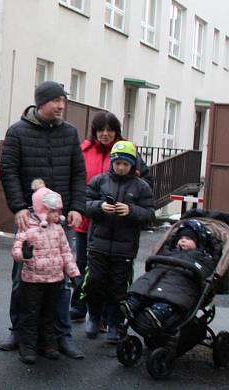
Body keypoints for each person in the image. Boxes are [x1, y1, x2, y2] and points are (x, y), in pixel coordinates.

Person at [0, 81, 87, 359]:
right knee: (21, 277)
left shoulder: (70, 133)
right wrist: (19, 207)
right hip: (29, 219)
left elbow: (78, 174)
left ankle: (61, 336)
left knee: (60, 279)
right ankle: (19, 331)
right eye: (56, 100)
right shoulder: (17, 132)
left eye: (64, 100)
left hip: (59, 220)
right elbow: (9, 173)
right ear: (41, 102)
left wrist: (76, 207)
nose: (61, 106)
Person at [71, 111, 152, 321]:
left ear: (117, 132)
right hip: (88, 219)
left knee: (116, 276)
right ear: (94, 131)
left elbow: (146, 186)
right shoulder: (84, 150)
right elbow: (77, 181)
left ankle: (109, 316)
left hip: (120, 227)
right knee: (84, 268)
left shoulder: (127, 151)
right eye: (101, 130)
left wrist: (131, 207)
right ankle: (81, 307)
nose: (105, 134)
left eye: (110, 130)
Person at [82, 141, 155, 343]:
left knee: (118, 288)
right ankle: (94, 317)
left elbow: (150, 214)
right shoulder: (99, 181)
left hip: (124, 250)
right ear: (112, 162)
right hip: (98, 245)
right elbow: (84, 204)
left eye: (125, 164)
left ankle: (115, 323)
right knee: (94, 283)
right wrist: (100, 206)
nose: (121, 167)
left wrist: (130, 211)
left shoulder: (141, 187)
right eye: (118, 163)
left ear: (132, 165)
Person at [12, 181, 80, 364]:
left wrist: (74, 274)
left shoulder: (58, 229)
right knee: (30, 314)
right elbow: (16, 250)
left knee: (49, 313)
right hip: (33, 280)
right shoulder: (27, 227)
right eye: (53, 211)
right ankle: (28, 346)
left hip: (55, 280)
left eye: (58, 211)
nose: (57, 215)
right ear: (41, 210)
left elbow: (66, 252)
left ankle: (47, 343)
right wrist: (24, 255)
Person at [122, 220, 218, 328]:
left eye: (188, 239)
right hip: (159, 278)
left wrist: (194, 266)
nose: (183, 241)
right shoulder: (169, 251)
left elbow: (205, 271)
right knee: (144, 283)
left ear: (199, 242)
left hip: (182, 282)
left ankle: (159, 312)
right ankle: (132, 302)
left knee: (172, 296)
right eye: (181, 239)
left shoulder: (202, 258)